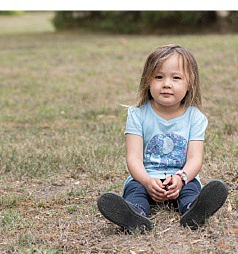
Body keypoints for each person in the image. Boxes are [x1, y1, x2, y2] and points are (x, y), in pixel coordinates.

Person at [97, 44, 228, 231]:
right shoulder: (138, 115)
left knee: (191, 190)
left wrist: (182, 178)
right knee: (135, 191)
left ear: (190, 83)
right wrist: (146, 181)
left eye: (176, 78)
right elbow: (133, 158)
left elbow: (195, 159)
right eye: (158, 77)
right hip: (145, 178)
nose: (166, 84)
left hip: (181, 178)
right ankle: (135, 215)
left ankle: (194, 211)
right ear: (147, 80)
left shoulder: (195, 117)